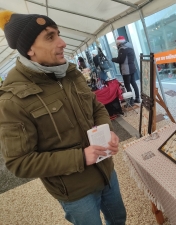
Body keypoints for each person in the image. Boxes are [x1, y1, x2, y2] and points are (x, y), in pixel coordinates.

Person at [0, 11, 126, 225]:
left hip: (106, 172)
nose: (63, 43)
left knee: (119, 219)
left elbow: (96, 106)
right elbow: (19, 162)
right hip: (75, 192)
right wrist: (80, 158)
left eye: (58, 34)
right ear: (29, 49)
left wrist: (107, 131)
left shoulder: (70, 73)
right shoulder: (12, 100)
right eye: (50, 37)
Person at [112, 36, 140, 105]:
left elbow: (120, 60)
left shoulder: (123, 48)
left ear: (119, 42)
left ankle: (131, 102)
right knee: (133, 83)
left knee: (127, 85)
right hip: (132, 68)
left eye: (117, 42)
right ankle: (137, 98)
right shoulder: (129, 46)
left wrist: (113, 59)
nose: (116, 44)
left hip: (126, 70)